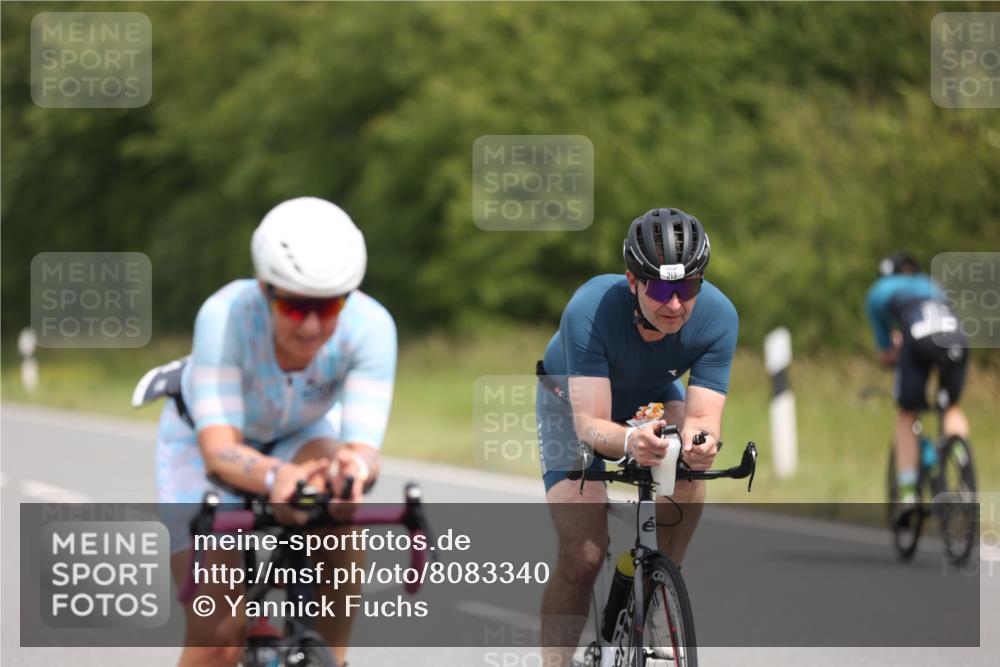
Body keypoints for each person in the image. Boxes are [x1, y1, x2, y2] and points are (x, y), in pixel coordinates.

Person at [156, 196, 397, 667]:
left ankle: (333, 656)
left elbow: (362, 449)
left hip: (300, 435)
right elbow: (221, 450)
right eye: (293, 306)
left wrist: (354, 471)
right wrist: (275, 479)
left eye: (328, 308)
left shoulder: (372, 327)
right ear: (265, 289)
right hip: (205, 444)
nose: (310, 326)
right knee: (219, 637)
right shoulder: (225, 316)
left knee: (339, 513)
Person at [535, 207, 738, 666]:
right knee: (584, 555)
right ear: (632, 281)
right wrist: (631, 443)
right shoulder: (590, 307)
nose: (673, 304)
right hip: (570, 400)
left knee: (688, 472)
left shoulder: (719, 317)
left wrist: (700, 443)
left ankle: (660, 588)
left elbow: (704, 416)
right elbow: (590, 426)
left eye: (686, 288)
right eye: (661, 288)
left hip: (651, 393)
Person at [865, 252, 969, 506]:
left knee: (907, 413)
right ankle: (962, 464)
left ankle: (908, 493)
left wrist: (891, 357)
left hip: (919, 339)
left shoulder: (879, 290)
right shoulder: (931, 285)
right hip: (957, 339)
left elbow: (886, 350)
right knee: (950, 406)